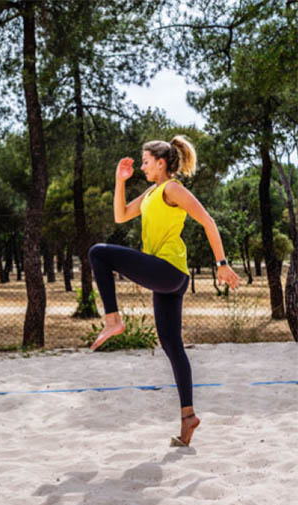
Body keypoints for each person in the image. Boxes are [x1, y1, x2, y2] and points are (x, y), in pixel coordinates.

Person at [88, 136, 240, 447]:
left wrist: (221, 263)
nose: (141, 166)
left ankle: (113, 321)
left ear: (161, 163)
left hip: (169, 270)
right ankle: (188, 418)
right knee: (172, 346)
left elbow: (208, 221)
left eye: (145, 162)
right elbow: (121, 215)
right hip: (169, 278)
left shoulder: (172, 189)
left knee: (98, 253)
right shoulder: (152, 192)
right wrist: (120, 182)